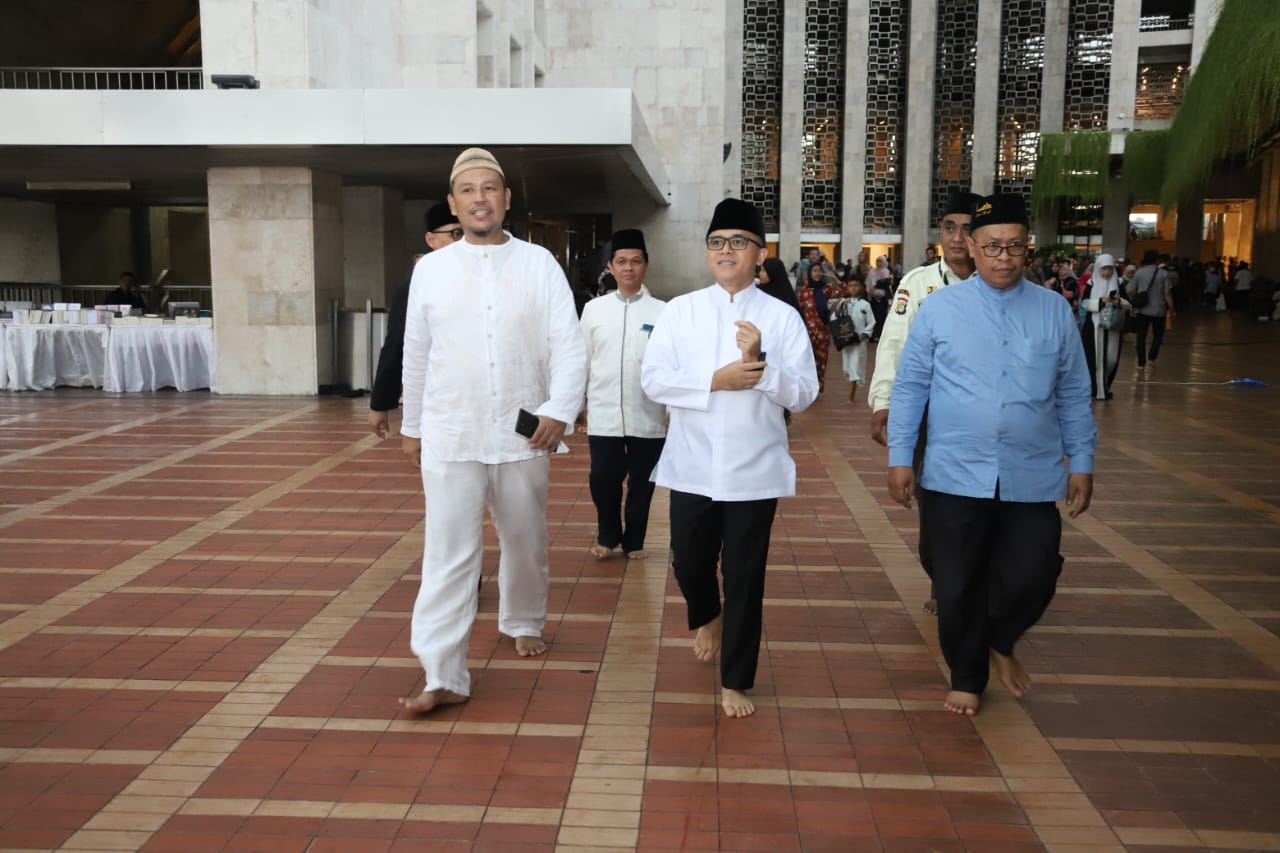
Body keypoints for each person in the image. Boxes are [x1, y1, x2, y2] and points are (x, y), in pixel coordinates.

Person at [887, 192, 1096, 717]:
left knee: (1035, 572)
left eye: (1014, 247)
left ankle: (1001, 639)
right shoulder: (939, 309)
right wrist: (898, 458)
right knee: (954, 583)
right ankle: (967, 675)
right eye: (992, 247)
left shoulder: (1053, 310)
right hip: (954, 474)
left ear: (1028, 250)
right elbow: (911, 386)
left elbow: (1073, 392)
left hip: (1032, 474)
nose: (1003, 257)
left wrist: (1083, 462)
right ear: (972, 250)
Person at [397, 147, 587, 714]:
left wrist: (559, 408)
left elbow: (569, 344)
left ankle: (523, 619)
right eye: (468, 190)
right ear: (454, 204)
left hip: (523, 432)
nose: (480, 199)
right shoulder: (430, 269)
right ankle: (442, 673)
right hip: (451, 432)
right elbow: (415, 352)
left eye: (490, 188)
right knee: (449, 554)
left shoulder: (540, 263)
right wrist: (412, 425)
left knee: (525, 540)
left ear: (506, 199)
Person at [641, 197, 819, 718]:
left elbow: (805, 394)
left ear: (759, 254)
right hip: (692, 465)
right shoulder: (681, 311)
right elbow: (653, 381)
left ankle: (736, 680)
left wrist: (762, 367)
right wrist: (715, 381)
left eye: (738, 243)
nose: (725, 251)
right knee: (688, 560)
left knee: (745, 576)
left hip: (754, 471)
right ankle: (706, 613)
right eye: (717, 243)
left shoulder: (781, 318)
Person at [868, 189, 980, 614]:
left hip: (982, 418)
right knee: (934, 505)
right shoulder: (918, 284)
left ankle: (973, 582)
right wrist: (883, 401)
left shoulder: (997, 283)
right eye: (949, 228)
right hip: (930, 417)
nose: (956, 238)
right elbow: (893, 345)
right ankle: (943, 581)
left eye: (967, 229)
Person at [578, 229, 667, 561]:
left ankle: (635, 541)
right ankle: (608, 534)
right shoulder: (594, 310)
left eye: (635, 261)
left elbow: (673, 363)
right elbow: (582, 360)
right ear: (610, 267)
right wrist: (577, 405)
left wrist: (671, 407)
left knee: (643, 483)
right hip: (603, 412)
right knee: (603, 478)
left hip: (649, 412)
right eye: (621, 262)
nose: (628, 268)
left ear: (646, 265)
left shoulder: (663, 311)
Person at [367, 203, 463, 437]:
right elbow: (397, 343)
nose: (462, 242)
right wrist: (380, 402)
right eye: (455, 234)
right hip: (441, 400)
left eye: (466, 234)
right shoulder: (416, 284)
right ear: (431, 240)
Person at [1079, 253, 1129, 400]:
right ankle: (1096, 390)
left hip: (1112, 328)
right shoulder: (1091, 283)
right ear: (1098, 269)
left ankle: (1105, 385)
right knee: (1094, 360)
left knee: (1111, 359)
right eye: (1103, 269)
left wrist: (1118, 302)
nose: (1106, 272)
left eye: (1109, 269)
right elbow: (1085, 302)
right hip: (1094, 327)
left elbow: (1128, 303)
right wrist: (1100, 301)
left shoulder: (1119, 283)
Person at [797, 261, 848, 393]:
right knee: (807, 362)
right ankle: (807, 387)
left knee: (821, 362)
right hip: (807, 333)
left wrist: (834, 278)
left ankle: (816, 388)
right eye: (814, 270)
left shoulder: (826, 289)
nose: (817, 273)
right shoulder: (803, 291)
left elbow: (845, 291)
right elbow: (797, 310)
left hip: (823, 333)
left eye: (819, 270)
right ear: (809, 273)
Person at [830, 278, 875, 402]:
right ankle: (852, 389)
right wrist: (839, 309)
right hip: (846, 341)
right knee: (847, 368)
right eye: (850, 285)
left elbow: (871, 322)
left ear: (860, 287)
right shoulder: (843, 302)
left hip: (858, 341)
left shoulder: (865, 305)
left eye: (856, 285)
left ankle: (851, 396)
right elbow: (835, 319)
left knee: (855, 366)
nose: (853, 288)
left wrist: (864, 335)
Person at [1127, 249, 1170, 373]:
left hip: (1142, 309)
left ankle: (1141, 362)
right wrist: (1172, 307)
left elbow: (1131, 291)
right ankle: (1152, 359)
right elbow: (1167, 293)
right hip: (1159, 310)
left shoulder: (1139, 273)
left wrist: (1134, 303)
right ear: (1157, 260)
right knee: (1158, 335)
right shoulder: (1163, 273)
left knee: (1141, 336)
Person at [865, 255, 893, 340]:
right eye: (877, 261)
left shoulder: (886, 272)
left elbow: (885, 284)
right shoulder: (872, 271)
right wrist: (871, 290)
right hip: (873, 298)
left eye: (881, 261)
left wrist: (877, 285)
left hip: (883, 299)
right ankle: (873, 335)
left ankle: (880, 335)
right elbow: (868, 283)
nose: (879, 263)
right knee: (873, 317)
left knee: (881, 317)